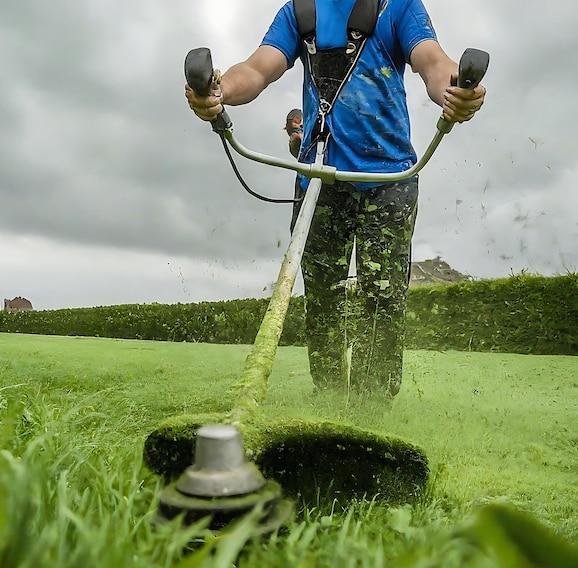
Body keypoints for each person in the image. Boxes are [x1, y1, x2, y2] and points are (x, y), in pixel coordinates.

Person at [185, 0, 486, 400]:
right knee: (324, 301)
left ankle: (370, 409)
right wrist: (218, 91)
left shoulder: (396, 8)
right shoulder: (300, 11)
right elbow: (257, 69)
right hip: (319, 176)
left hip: (388, 179)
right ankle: (327, 398)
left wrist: (456, 90)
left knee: (382, 300)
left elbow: (433, 63)